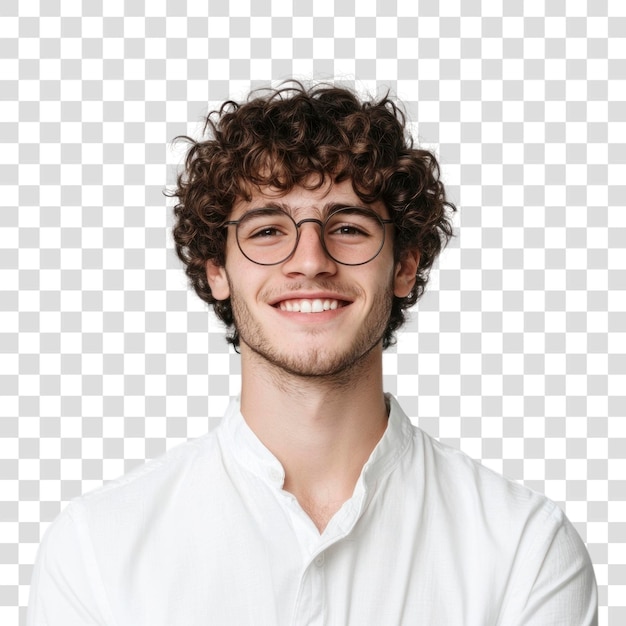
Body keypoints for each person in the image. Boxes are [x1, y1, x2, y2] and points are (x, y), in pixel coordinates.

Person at [27, 82, 597, 625]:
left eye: (347, 227)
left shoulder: (525, 546)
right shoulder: (96, 550)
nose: (310, 261)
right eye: (268, 230)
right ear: (217, 270)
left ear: (403, 265)